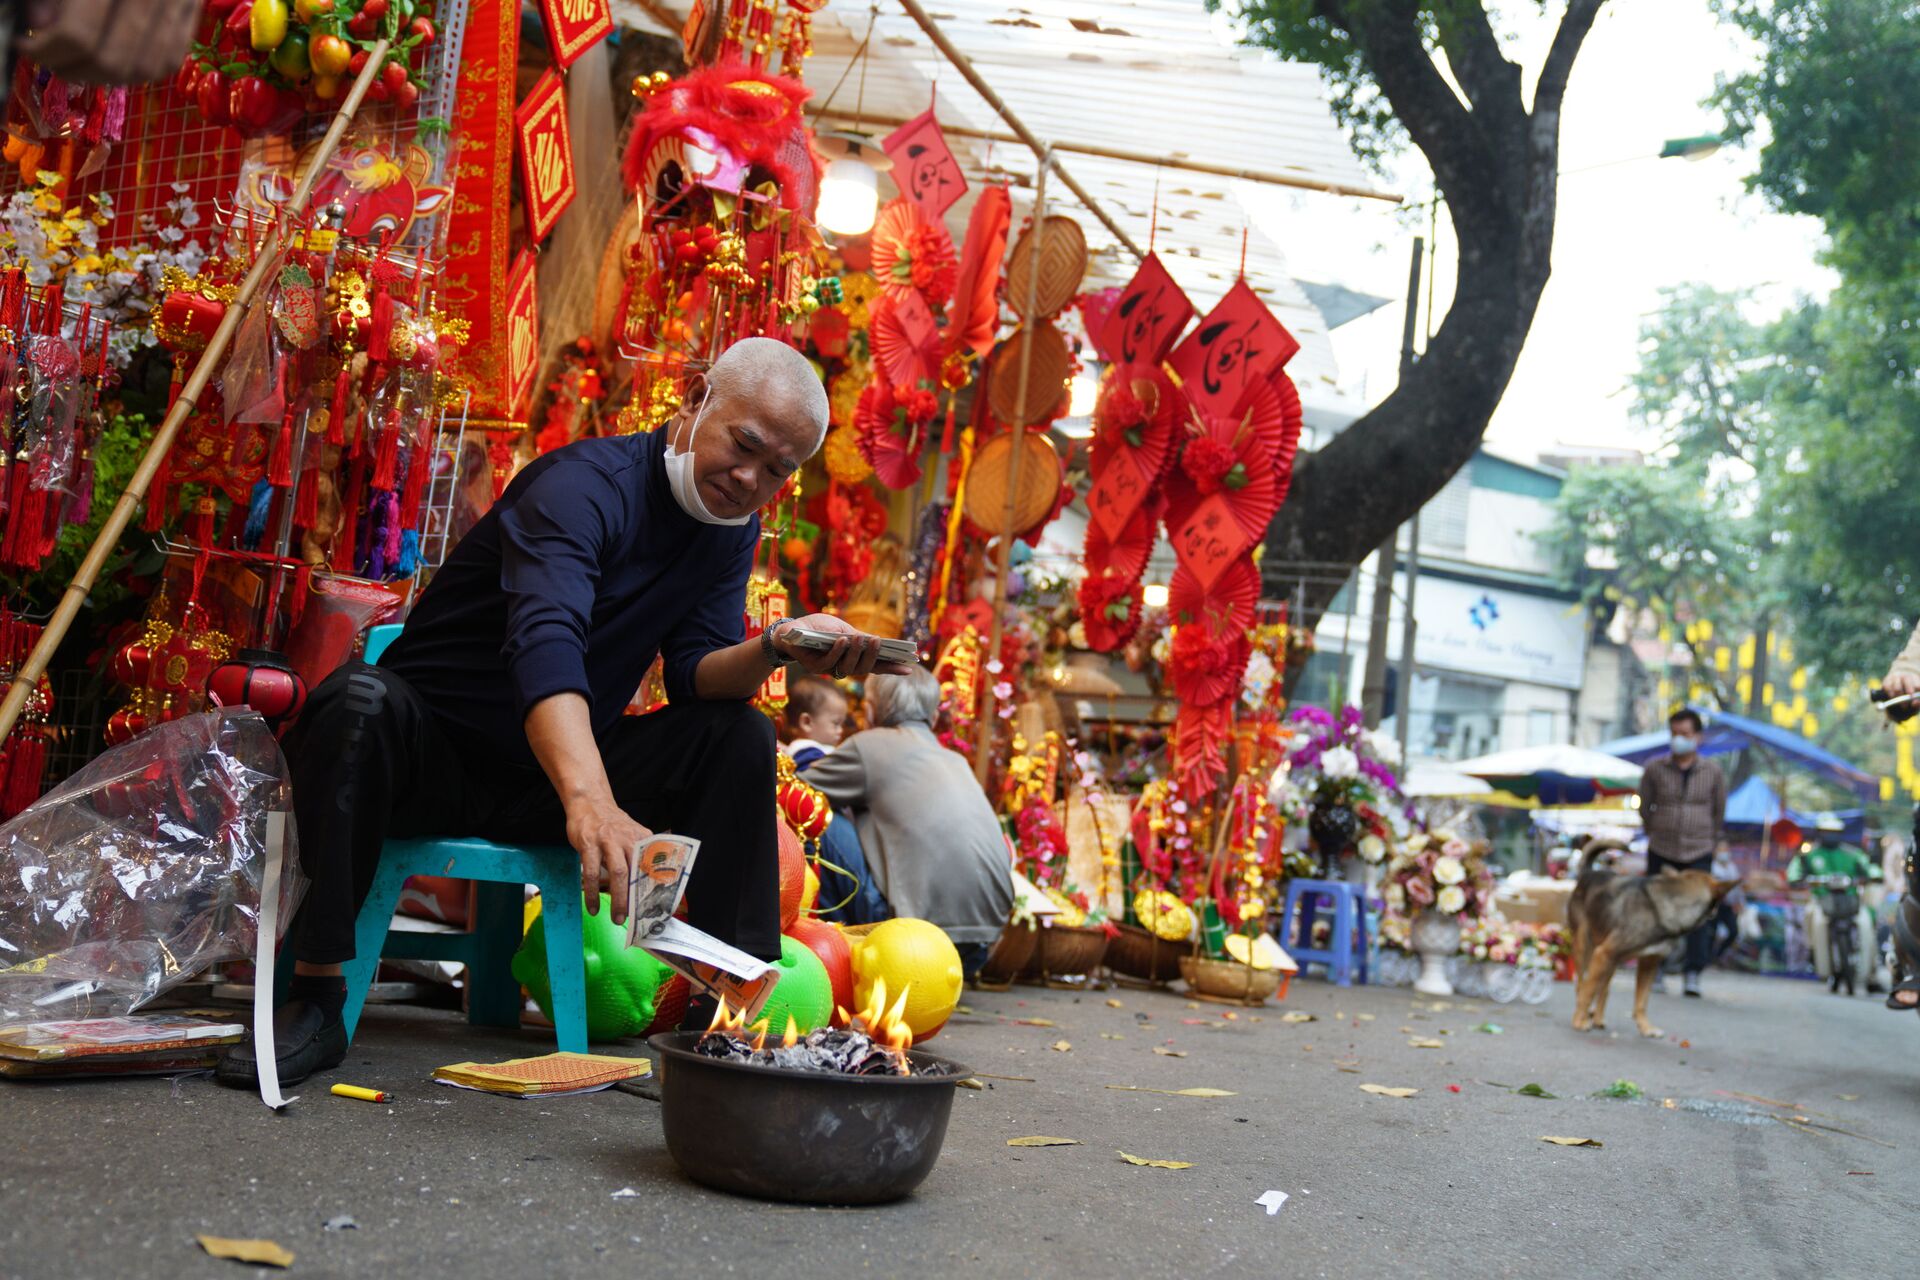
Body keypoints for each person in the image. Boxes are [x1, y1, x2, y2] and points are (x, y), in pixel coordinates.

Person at [217, 338, 908, 1087]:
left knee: (736, 732)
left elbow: (695, 677)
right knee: (356, 701)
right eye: (744, 446)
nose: (749, 480)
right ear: (694, 394)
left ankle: (716, 1017)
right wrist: (592, 802)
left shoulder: (725, 529)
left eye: (778, 470)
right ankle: (316, 998)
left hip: (545, 781)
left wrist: (775, 646)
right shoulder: (580, 487)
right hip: (435, 761)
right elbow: (545, 646)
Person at [804, 666, 1013, 975]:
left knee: (813, 810)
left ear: (871, 710)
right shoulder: (955, 760)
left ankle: (835, 957)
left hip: (909, 941)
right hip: (978, 946)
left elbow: (789, 790)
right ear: (932, 717)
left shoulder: (869, 745)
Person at [1635, 707, 1728, 997]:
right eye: (1675, 734)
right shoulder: (1654, 768)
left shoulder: (1712, 771)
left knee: (1699, 913)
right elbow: (1644, 806)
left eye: (1685, 734)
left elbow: (1718, 810)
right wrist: (1656, 830)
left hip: (1699, 850)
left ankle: (1692, 973)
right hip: (1662, 848)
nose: (1679, 740)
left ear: (1698, 736)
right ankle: (1656, 969)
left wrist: (1711, 840)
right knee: (1656, 910)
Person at [1788, 818, 1881, 994]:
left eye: (1834, 833)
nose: (1830, 836)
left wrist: (1875, 875)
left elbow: (1871, 868)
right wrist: (1796, 879)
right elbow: (1794, 871)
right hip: (1821, 900)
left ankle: (1870, 973)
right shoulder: (1809, 855)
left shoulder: (1852, 854)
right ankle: (1814, 954)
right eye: (1826, 832)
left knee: (1867, 924)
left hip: (1850, 900)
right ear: (1819, 833)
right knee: (1813, 918)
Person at [780, 675, 849, 770]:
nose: (841, 730)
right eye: (836, 723)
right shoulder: (807, 754)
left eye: (842, 724)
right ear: (806, 722)